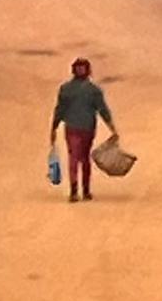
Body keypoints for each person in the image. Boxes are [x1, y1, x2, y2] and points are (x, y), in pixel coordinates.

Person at [50, 58, 116, 202]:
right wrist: (112, 127)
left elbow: (59, 110)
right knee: (84, 158)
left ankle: (75, 190)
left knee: (74, 157)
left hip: (73, 127)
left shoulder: (66, 89)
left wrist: (54, 127)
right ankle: (85, 190)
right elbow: (103, 110)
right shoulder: (93, 90)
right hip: (87, 127)